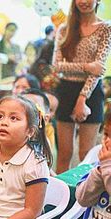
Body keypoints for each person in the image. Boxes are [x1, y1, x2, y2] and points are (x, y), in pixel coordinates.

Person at [52, 0, 111, 173]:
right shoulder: (64, 28)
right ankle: (62, 197)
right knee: (64, 153)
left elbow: (98, 69)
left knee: (87, 154)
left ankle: (84, 197)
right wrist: (87, 66)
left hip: (92, 91)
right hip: (66, 89)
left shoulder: (105, 28)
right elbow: (56, 65)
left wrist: (82, 98)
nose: (83, 2)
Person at [59, 110, 111, 219]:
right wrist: (99, 172)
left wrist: (107, 166)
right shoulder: (99, 167)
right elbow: (82, 198)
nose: (108, 142)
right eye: (107, 135)